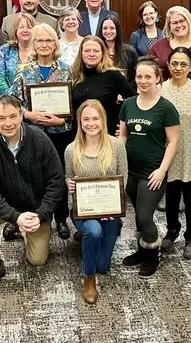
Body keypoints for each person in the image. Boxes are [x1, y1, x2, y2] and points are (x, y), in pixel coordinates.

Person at [0, 95, 65, 293]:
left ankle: (20, 226)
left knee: (37, 260)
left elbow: (56, 183)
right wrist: (15, 215)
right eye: (2, 118)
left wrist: (41, 215)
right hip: (6, 206)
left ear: (21, 115)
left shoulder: (40, 140)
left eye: (13, 116)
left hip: (36, 208)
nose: (8, 123)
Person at [119, 58, 180, 279]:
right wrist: (118, 166)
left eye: (148, 77)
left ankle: (153, 254)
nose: (142, 81)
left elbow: (173, 142)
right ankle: (142, 250)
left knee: (145, 216)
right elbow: (123, 136)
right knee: (138, 213)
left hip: (153, 172)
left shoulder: (166, 108)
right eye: (139, 76)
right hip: (131, 171)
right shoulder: (128, 104)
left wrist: (162, 170)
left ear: (157, 78)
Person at [12, 23, 73, 239]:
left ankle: (62, 219)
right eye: (40, 41)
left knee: (59, 176)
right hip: (33, 135)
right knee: (34, 177)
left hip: (61, 134)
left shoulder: (66, 69)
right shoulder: (23, 72)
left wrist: (61, 120)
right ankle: (34, 217)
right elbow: (13, 103)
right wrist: (29, 115)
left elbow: (73, 105)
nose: (44, 45)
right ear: (34, 45)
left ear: (55, 44)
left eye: (49, 40)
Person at [65, 99, 128, 304]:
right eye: (86, 119)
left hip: (109, 210)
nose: (91, 123)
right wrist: (70, 186)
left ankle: (89, 240)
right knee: (93, 230)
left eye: (95, 118)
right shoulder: (71, 150)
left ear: (103, 119)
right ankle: (88, 278)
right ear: (79, 122)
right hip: (84, 211)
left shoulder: (117, 146)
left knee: (104, 266)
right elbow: (68, 179)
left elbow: (123, 178)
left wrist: (114, 207)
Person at [160, 47, 191, 259]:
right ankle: (172, 231)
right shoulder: (160, 88)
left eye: (183, 64)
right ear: (168, 65)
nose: (178, 68)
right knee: (170, 196)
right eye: (174, 64)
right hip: (168, 152)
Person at [71, 36, 135, 136]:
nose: (91, 54)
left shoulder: (113, 75)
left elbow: (135, 100)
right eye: (87, 50)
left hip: (106, 135)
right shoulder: (75, 76)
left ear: (102, 54)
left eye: (96, 51)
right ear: (81, 54)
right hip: (79, 136)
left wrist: (125, 126)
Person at [0, 12, 35, 96]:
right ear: (16, 30)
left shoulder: (40, 50)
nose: (25, 30)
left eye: (29, 27)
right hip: (10, 103)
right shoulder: (5, 50)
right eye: (21, 27)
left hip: (37, 103)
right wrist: (12, 102)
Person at [97, 15, 138, 89]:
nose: (108, 31)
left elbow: (135, 78)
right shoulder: (96, 51)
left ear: (117, 30)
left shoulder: (130, 51)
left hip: (124, 96)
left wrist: (124, 92)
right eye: (105, 28)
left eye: (112, 28)